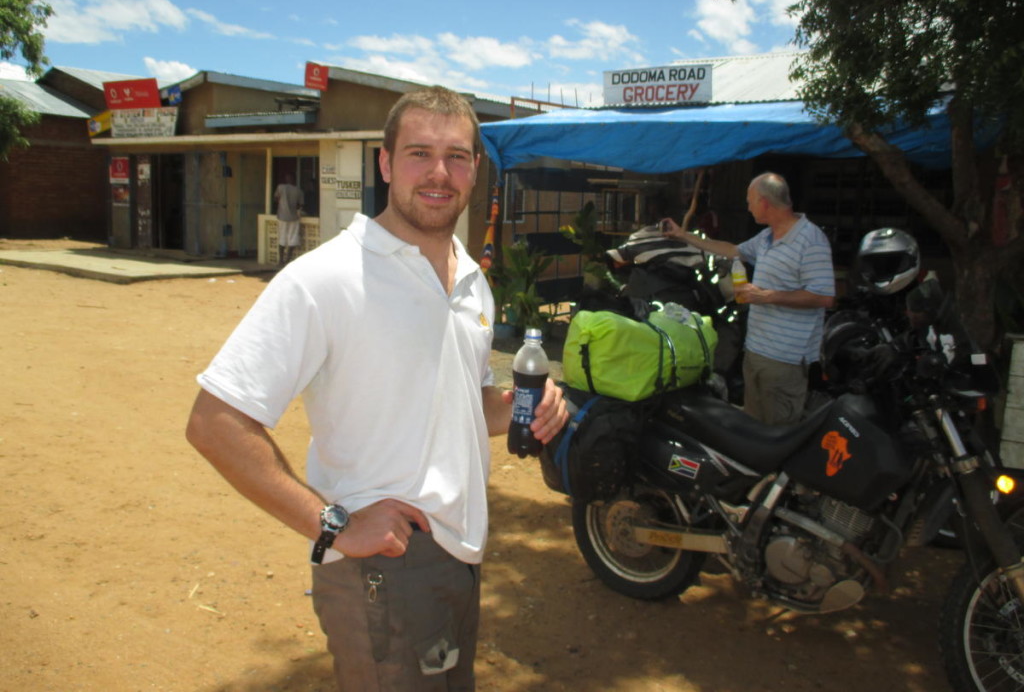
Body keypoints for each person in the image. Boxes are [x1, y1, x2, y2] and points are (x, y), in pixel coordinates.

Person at [186, 86, 568, 691]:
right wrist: (333, 525)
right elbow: (214, 423)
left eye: (458, 155)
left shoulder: (471, 278)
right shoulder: (325, 279)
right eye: (419, 153)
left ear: (475, 169)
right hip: (383, 567)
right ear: (386, 164)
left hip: (460, 554)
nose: (439, 172)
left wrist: (530, 406)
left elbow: (461, 406)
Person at [662, 172, 835, 425]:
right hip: (755, 351)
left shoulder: (811, 240)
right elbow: (733, 250)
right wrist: (684, 236)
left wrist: (766, 296)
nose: (748, 207)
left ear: (764, 202)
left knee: (779, 431)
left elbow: (824, 297)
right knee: (754, 429)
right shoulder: (767, 237)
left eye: (750, 200)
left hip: (784, 359)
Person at [273, 174, 303, 265]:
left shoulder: (280, 187)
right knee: (292, 238)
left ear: (286, 179)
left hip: (282, 217)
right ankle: (287, 260)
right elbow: (300, 205)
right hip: (294, 217)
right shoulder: (298, 191)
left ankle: (280, 260)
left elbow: (275, 199)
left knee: (282, 238)